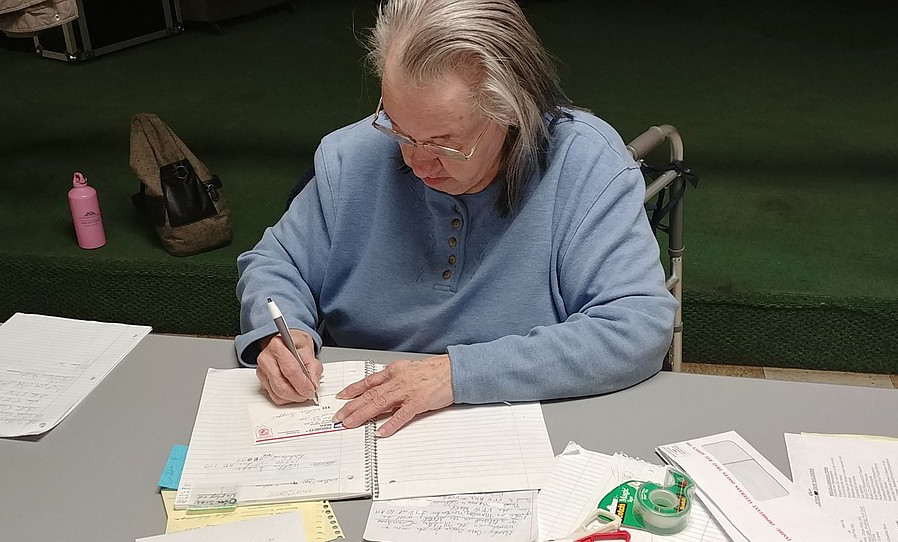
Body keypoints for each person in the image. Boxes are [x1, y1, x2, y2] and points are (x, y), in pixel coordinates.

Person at [236, 0, 677, 438]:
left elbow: (635, 326)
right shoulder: (352, 157)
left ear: (511, 112)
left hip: (523, 422)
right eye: (398, 129)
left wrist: (456, 375)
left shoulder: (582, 163)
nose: (415, 161)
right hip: (354, 418)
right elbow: (276, 264)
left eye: (445, 143)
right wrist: (282, 332)